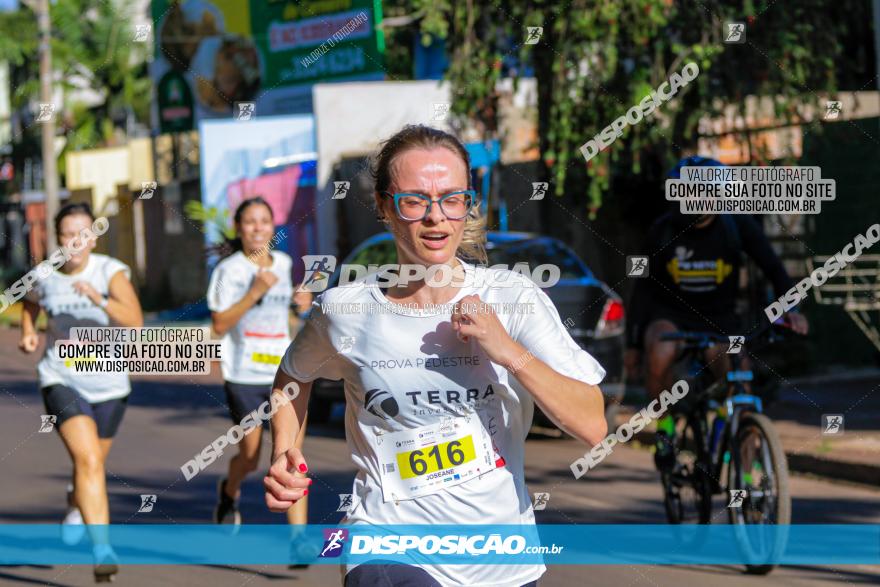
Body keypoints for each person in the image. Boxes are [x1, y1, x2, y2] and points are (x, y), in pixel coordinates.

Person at [263, 125, 608, 586]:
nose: (435, 217)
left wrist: (507, 352)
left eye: (451, 198)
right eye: (414, 200)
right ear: (385, 206)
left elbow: (592, 425)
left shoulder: (512, 297)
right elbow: (293, 375)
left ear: (468, 203)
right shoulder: (348, 310)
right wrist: (286, 450)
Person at [625, 156, 809, 472]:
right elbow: (642, 290)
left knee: (739, 375)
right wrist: (633, 344)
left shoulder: (736, 226)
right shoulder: (662, 230)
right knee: (660, 351)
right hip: (671, 316)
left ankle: (747, 467)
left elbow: (775, 270)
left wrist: (790, 309)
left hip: (719, 320)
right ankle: (666, 428)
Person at [19, 202, 143, 582]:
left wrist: (99, 299)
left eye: (83, 233)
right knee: (88, 460)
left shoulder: (110, 271)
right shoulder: (44, 274)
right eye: (67, 233)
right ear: (57, 238)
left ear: (94, 236)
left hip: (110, 384)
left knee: (91, 465)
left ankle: (76, 498)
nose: (76, 241)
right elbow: (30, 302)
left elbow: (135, 323)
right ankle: (103, 549)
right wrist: (29, 329)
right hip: (62, 377)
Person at [207, 197, 311, 551]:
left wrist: (301, 305)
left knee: (293, 452)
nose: (257, 228)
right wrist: (253, 293)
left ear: (272, 227)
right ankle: (228, 491)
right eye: (250, 222)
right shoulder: (228, 271)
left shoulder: (283, 263)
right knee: (250, 457)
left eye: (264, 221)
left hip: (283, 373)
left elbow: (288, 318)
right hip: (243, 374)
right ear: (239, 228)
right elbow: (219, 323)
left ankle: (298, 539)